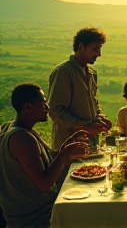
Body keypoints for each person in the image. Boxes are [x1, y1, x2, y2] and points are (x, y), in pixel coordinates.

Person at [0, 82, 90, 228]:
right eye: (44, 103)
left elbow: (44, 161)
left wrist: (68, 144)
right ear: (28, 106)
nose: (47, 108)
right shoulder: (22, 138)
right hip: (34, 219)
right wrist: (65, 153)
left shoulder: (15, 129)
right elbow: (43, 184)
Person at [48, 27, 112, 150]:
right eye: (94, 49)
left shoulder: (91, 73)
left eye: (99, 49)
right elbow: (56, 112)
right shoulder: (64, 72)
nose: (99, 54)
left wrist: (100, 117)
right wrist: (86, 126)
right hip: (68, 147)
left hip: (90, 144)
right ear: (81, 46)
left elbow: (94, 102)